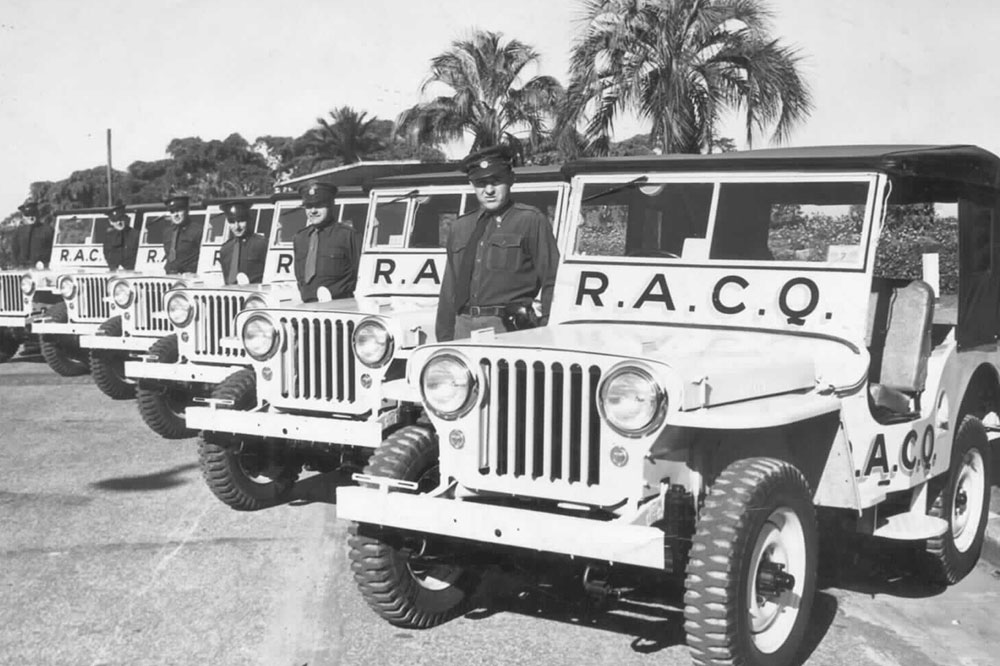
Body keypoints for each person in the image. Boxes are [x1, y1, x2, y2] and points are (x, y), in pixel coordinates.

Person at [435, 145, 560, 342]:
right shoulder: (460, 227)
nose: (489, 190)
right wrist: (444, 339)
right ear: (472, 184)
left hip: (510, 329)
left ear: (511, 179)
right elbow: (449, 288)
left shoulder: (530, 220)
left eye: (496, 181)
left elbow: (552, 280)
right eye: (481, 183)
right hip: (463, 327)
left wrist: (546, 329)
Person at [292, 182, 361, 302]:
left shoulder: (347, 235)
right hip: (307, 307)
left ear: (331, 205)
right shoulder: (300, 238)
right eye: (308, 206)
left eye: (319, 205)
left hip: (338, 307)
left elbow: (359, 274)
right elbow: (299, 276)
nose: (313, 211)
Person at [218, 200, 267, 284]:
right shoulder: (225, 249)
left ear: (249, 220)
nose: (237, 227)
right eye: (232, 222)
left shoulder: (261, 244)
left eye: (241, 221)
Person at [162, 193, 203, 274]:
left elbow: (204, 258)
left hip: (189, 278)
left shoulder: (198, 231)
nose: (176, 215)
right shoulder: (167, 233)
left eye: (179, 210)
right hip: (170, 276)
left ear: (187, 210)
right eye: (172, 212)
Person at [12, 200, 54, 268]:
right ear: (23, 217)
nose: (31, 218)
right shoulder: (18, 232)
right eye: (28, 215)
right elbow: (15, 251)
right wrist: (17, 265)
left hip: (42, 268)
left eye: (33, 214)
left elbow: (53, 250)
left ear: (38, 214)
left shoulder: (48, 230)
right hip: (22, 269)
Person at [102, 202, 139, 270]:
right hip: (114, 270)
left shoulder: (135, 234)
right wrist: (114, 266)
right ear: (111, 222)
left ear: (125, 219)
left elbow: (136, 254)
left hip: (130, 272)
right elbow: (107, 253)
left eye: (121, 219)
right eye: (115, 220)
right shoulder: (109, 236)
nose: (119, 222)